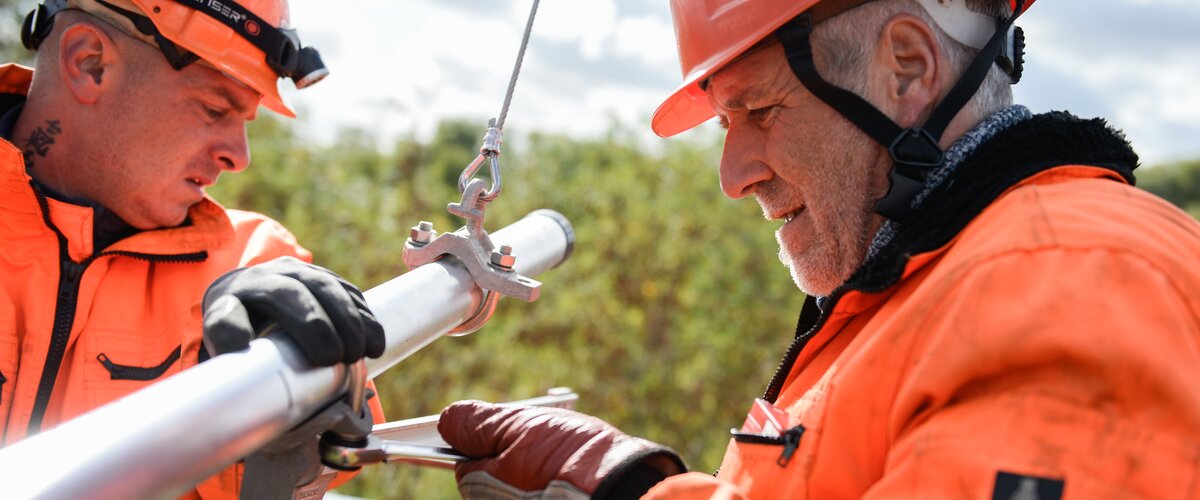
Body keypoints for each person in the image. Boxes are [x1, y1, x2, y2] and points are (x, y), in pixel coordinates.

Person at [438, 0, 1200, 498]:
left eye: (761, 110)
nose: (733, 177)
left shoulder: (1070, 282)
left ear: (907, 66)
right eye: (724, 124)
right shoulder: (923, 288)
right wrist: (628, 484)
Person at [0, 0, 385, 498]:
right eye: (214, 108)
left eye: (245, 119)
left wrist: (287, 397)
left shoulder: (256, 264)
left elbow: (323, 472)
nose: (238, 156)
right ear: (88, 63)